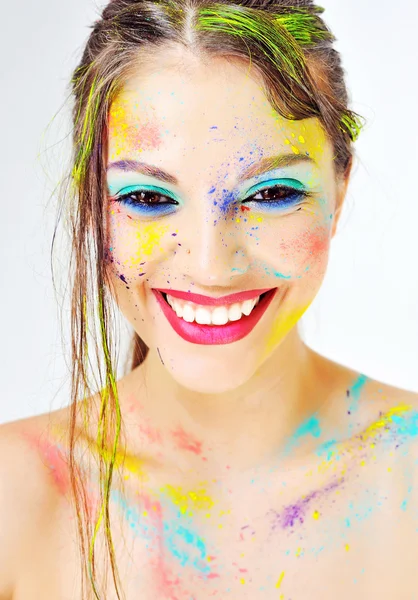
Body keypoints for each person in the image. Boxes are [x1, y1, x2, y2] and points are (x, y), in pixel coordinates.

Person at [1, 0, 417, 598]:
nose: (210, 264)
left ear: (340, 190)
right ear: (93, 204)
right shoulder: (13, 496)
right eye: (147, 198)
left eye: (271, 192)